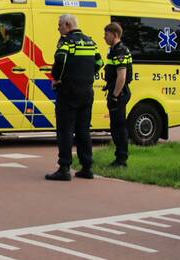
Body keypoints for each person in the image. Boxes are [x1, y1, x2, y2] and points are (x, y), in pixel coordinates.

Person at [47, 14, 102, 181]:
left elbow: (60, 60)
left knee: (65, 130)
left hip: (68, 92)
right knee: (83, 130)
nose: (58, 28)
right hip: (86, 92)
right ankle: (87, 167)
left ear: (68, 24)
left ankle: (64, 168)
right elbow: (100, 63)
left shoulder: (67, 42)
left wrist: (57, 78)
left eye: (60, 25)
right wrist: (86, 76)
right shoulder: (91, 42)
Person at [104, 21, 133, 168]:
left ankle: (121, 160)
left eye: (107, 34)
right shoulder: (115, 49)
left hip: (119, 93)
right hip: (117, 92)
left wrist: (114, 96)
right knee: (116, 126)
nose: (104, 37)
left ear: (114, 34)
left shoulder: (119, 51)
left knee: (119, 127)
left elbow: (121, 77)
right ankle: (119, 158)